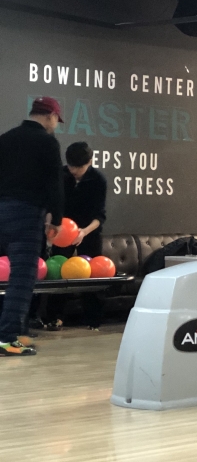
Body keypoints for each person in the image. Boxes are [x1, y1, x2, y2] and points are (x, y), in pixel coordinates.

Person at [0, 97, 63, 356]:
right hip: (26, 214)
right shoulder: (47, 142)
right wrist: (56, 219)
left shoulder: (5, 138)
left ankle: (18, 333)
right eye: (56, 120)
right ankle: (8, 339)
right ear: (50, 116)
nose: (55, 125)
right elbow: (55, 183)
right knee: (22, 279)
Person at [45, 141, 108, 331]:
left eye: (79, 167)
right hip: (63, 232)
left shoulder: (98, 180)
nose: (74, 170)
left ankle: (93, 319)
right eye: (71, 166)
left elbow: (100, 216)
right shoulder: (61, 175)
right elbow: (52, 205)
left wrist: (84, 231)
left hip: (89, 232)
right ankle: (54, 317)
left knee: (92, 274)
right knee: (59, 272)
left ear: (89, 162)